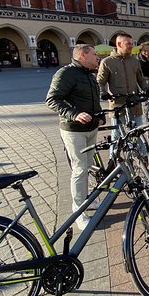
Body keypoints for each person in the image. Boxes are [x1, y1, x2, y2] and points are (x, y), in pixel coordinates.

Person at [45, 44, 104, 230]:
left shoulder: (89, 74)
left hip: (91, 128)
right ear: (82, 55)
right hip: (74, 130)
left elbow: (94, 99)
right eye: (94, 54)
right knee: (79, 169)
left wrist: (100, 116)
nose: (97, 57)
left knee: (87, 167)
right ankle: (78, 211)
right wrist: (74, 114)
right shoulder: (66, 73)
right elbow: (52, 99)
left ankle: (85, 200)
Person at [97, 32, 149, 143]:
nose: (131, 46)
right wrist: (103, 93)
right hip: (117, 104)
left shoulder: (135, 61)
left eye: (131, 43)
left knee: (139, 131)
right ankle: (113, 157)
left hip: (135, 102)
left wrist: (146, 89)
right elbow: (100, 81)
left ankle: (144, 155)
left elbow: (141, 79)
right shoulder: (107, 62)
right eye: (128, 43)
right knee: (117, 134)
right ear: (119, 44)